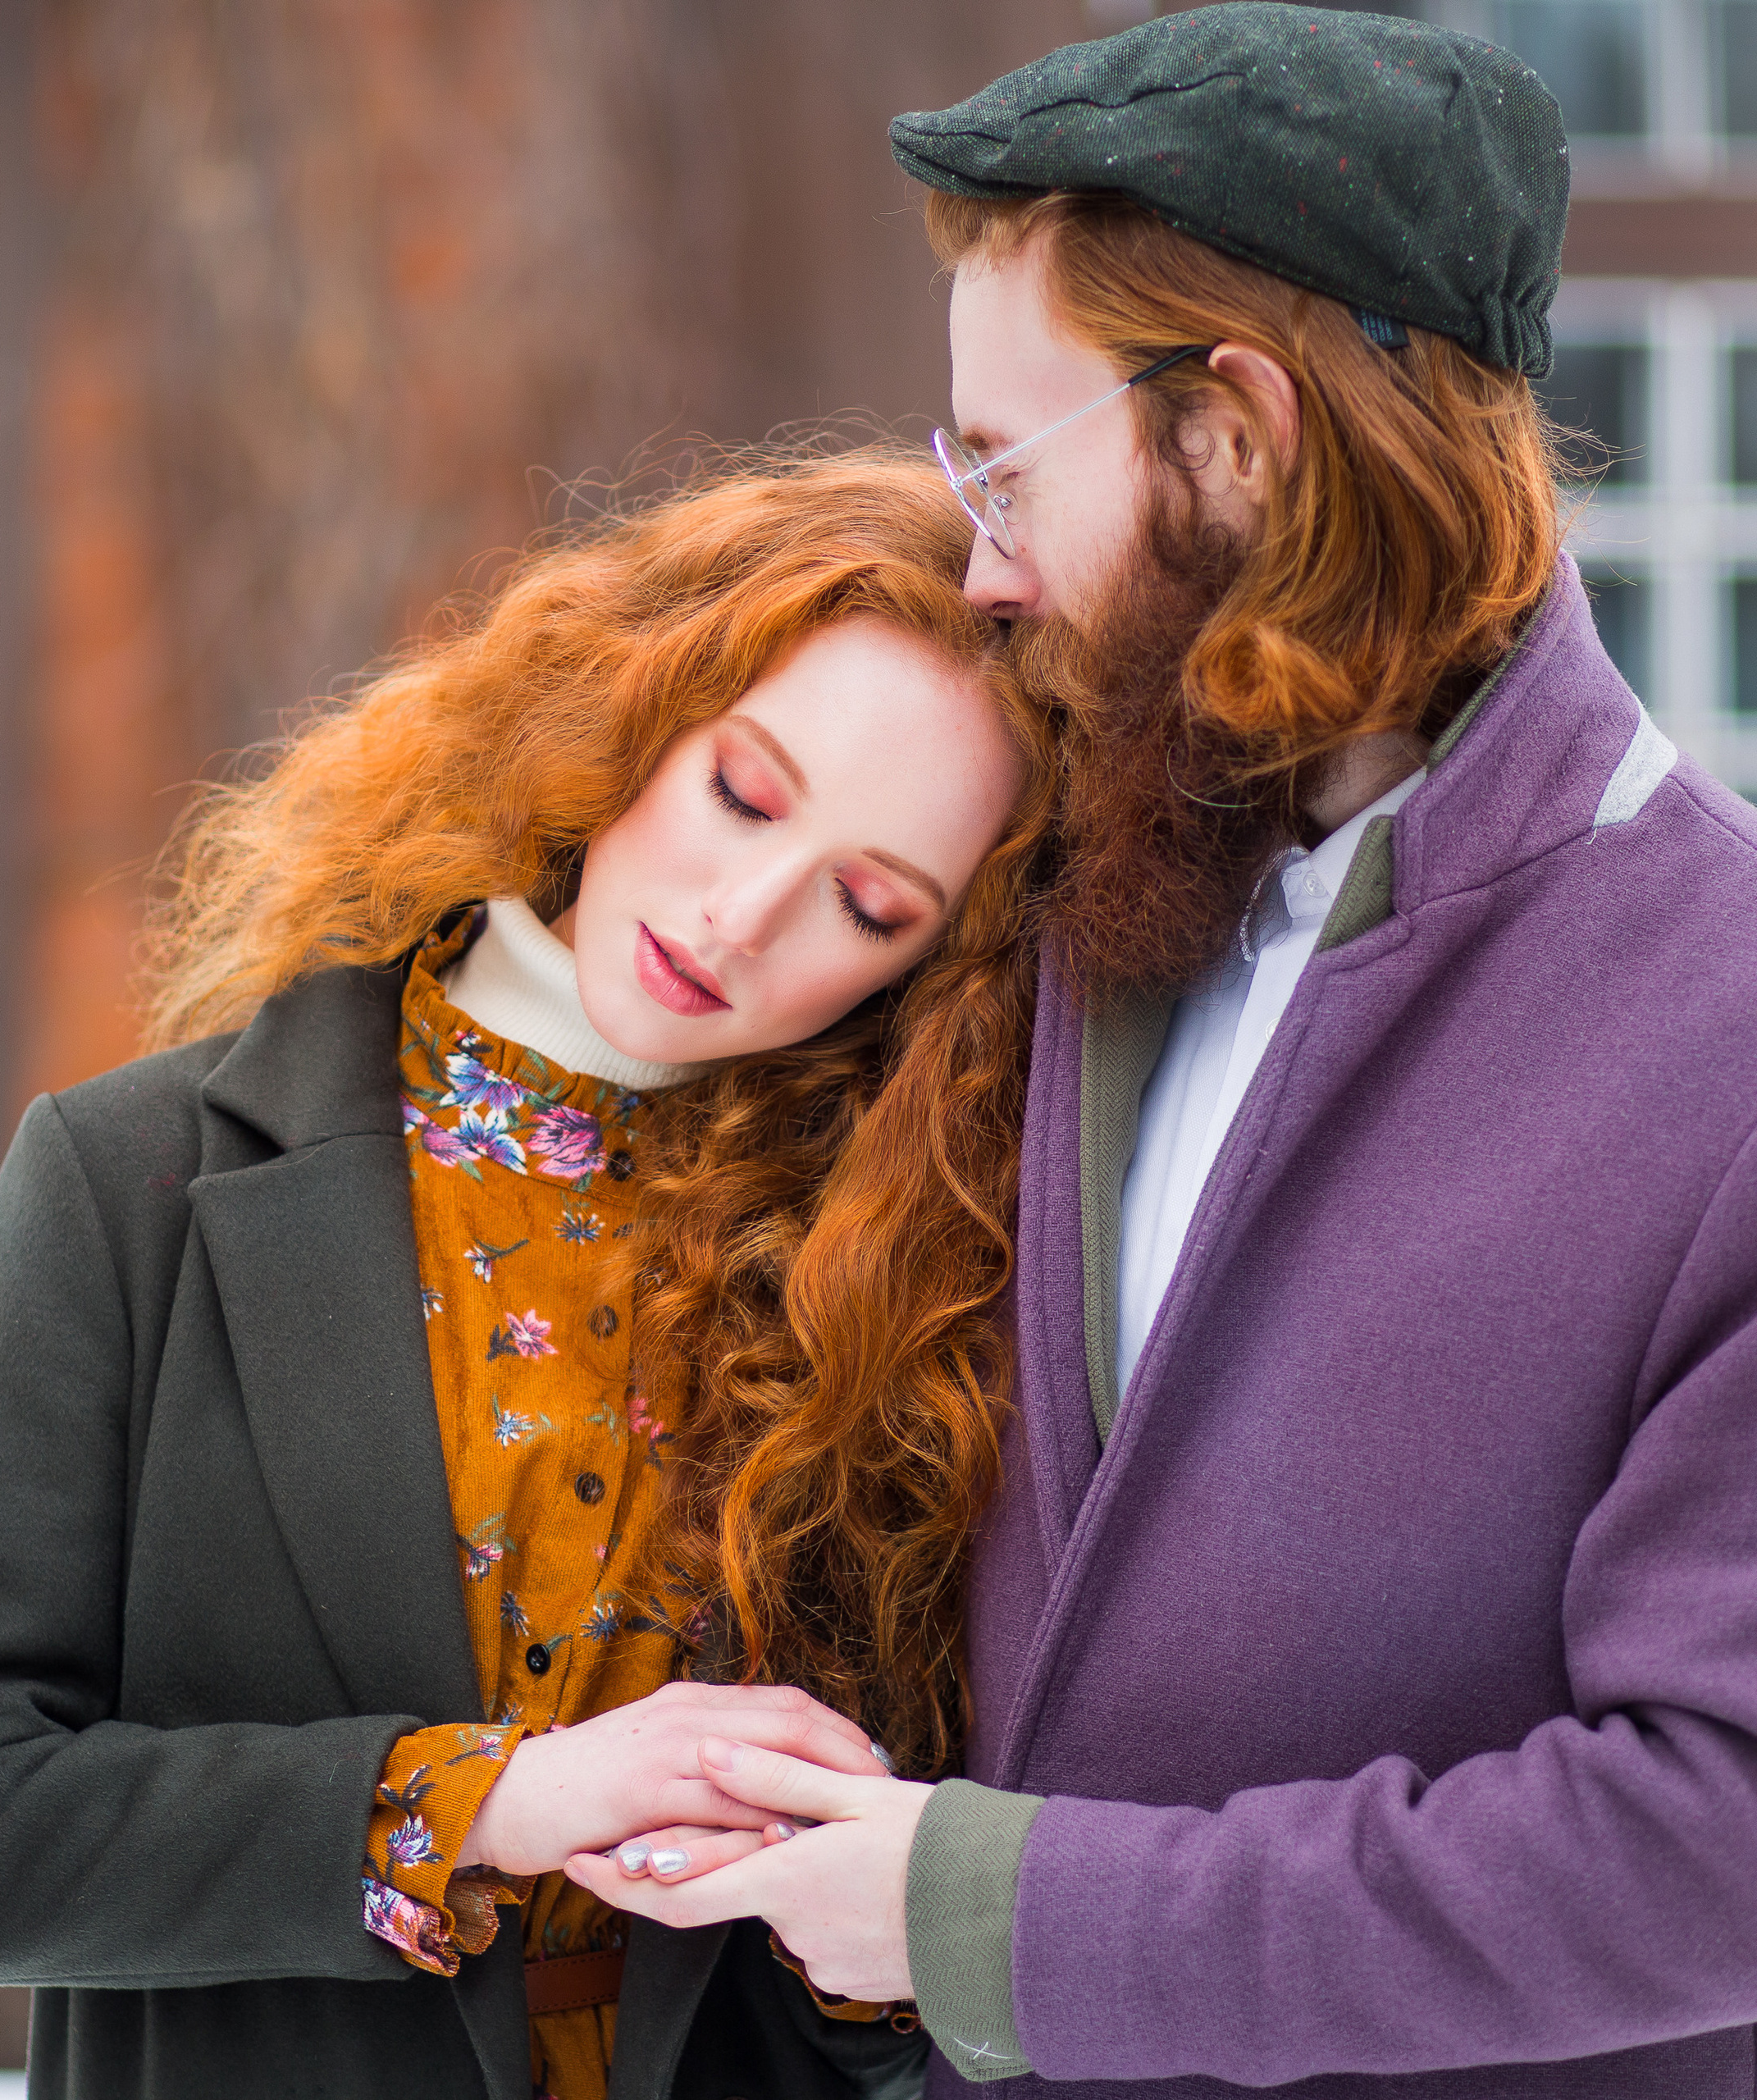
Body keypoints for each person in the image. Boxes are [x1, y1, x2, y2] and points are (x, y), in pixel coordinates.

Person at [571, 9, 1757, 2094]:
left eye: (1006, 465)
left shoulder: (1718, 1023)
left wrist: (1000, 1919)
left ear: (1234, 439)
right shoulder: (1038, 860)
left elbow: (1709, 1839)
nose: (978, 561)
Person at [0, 450, 1055, 2100]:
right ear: (631, 705)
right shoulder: (136, 1183)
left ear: (928, 969)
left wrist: (874, 1946)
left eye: (865, 900)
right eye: (743, 793)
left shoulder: (892, 1283)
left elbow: (888, 1979)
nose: (746, 912)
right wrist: (490, 1802)